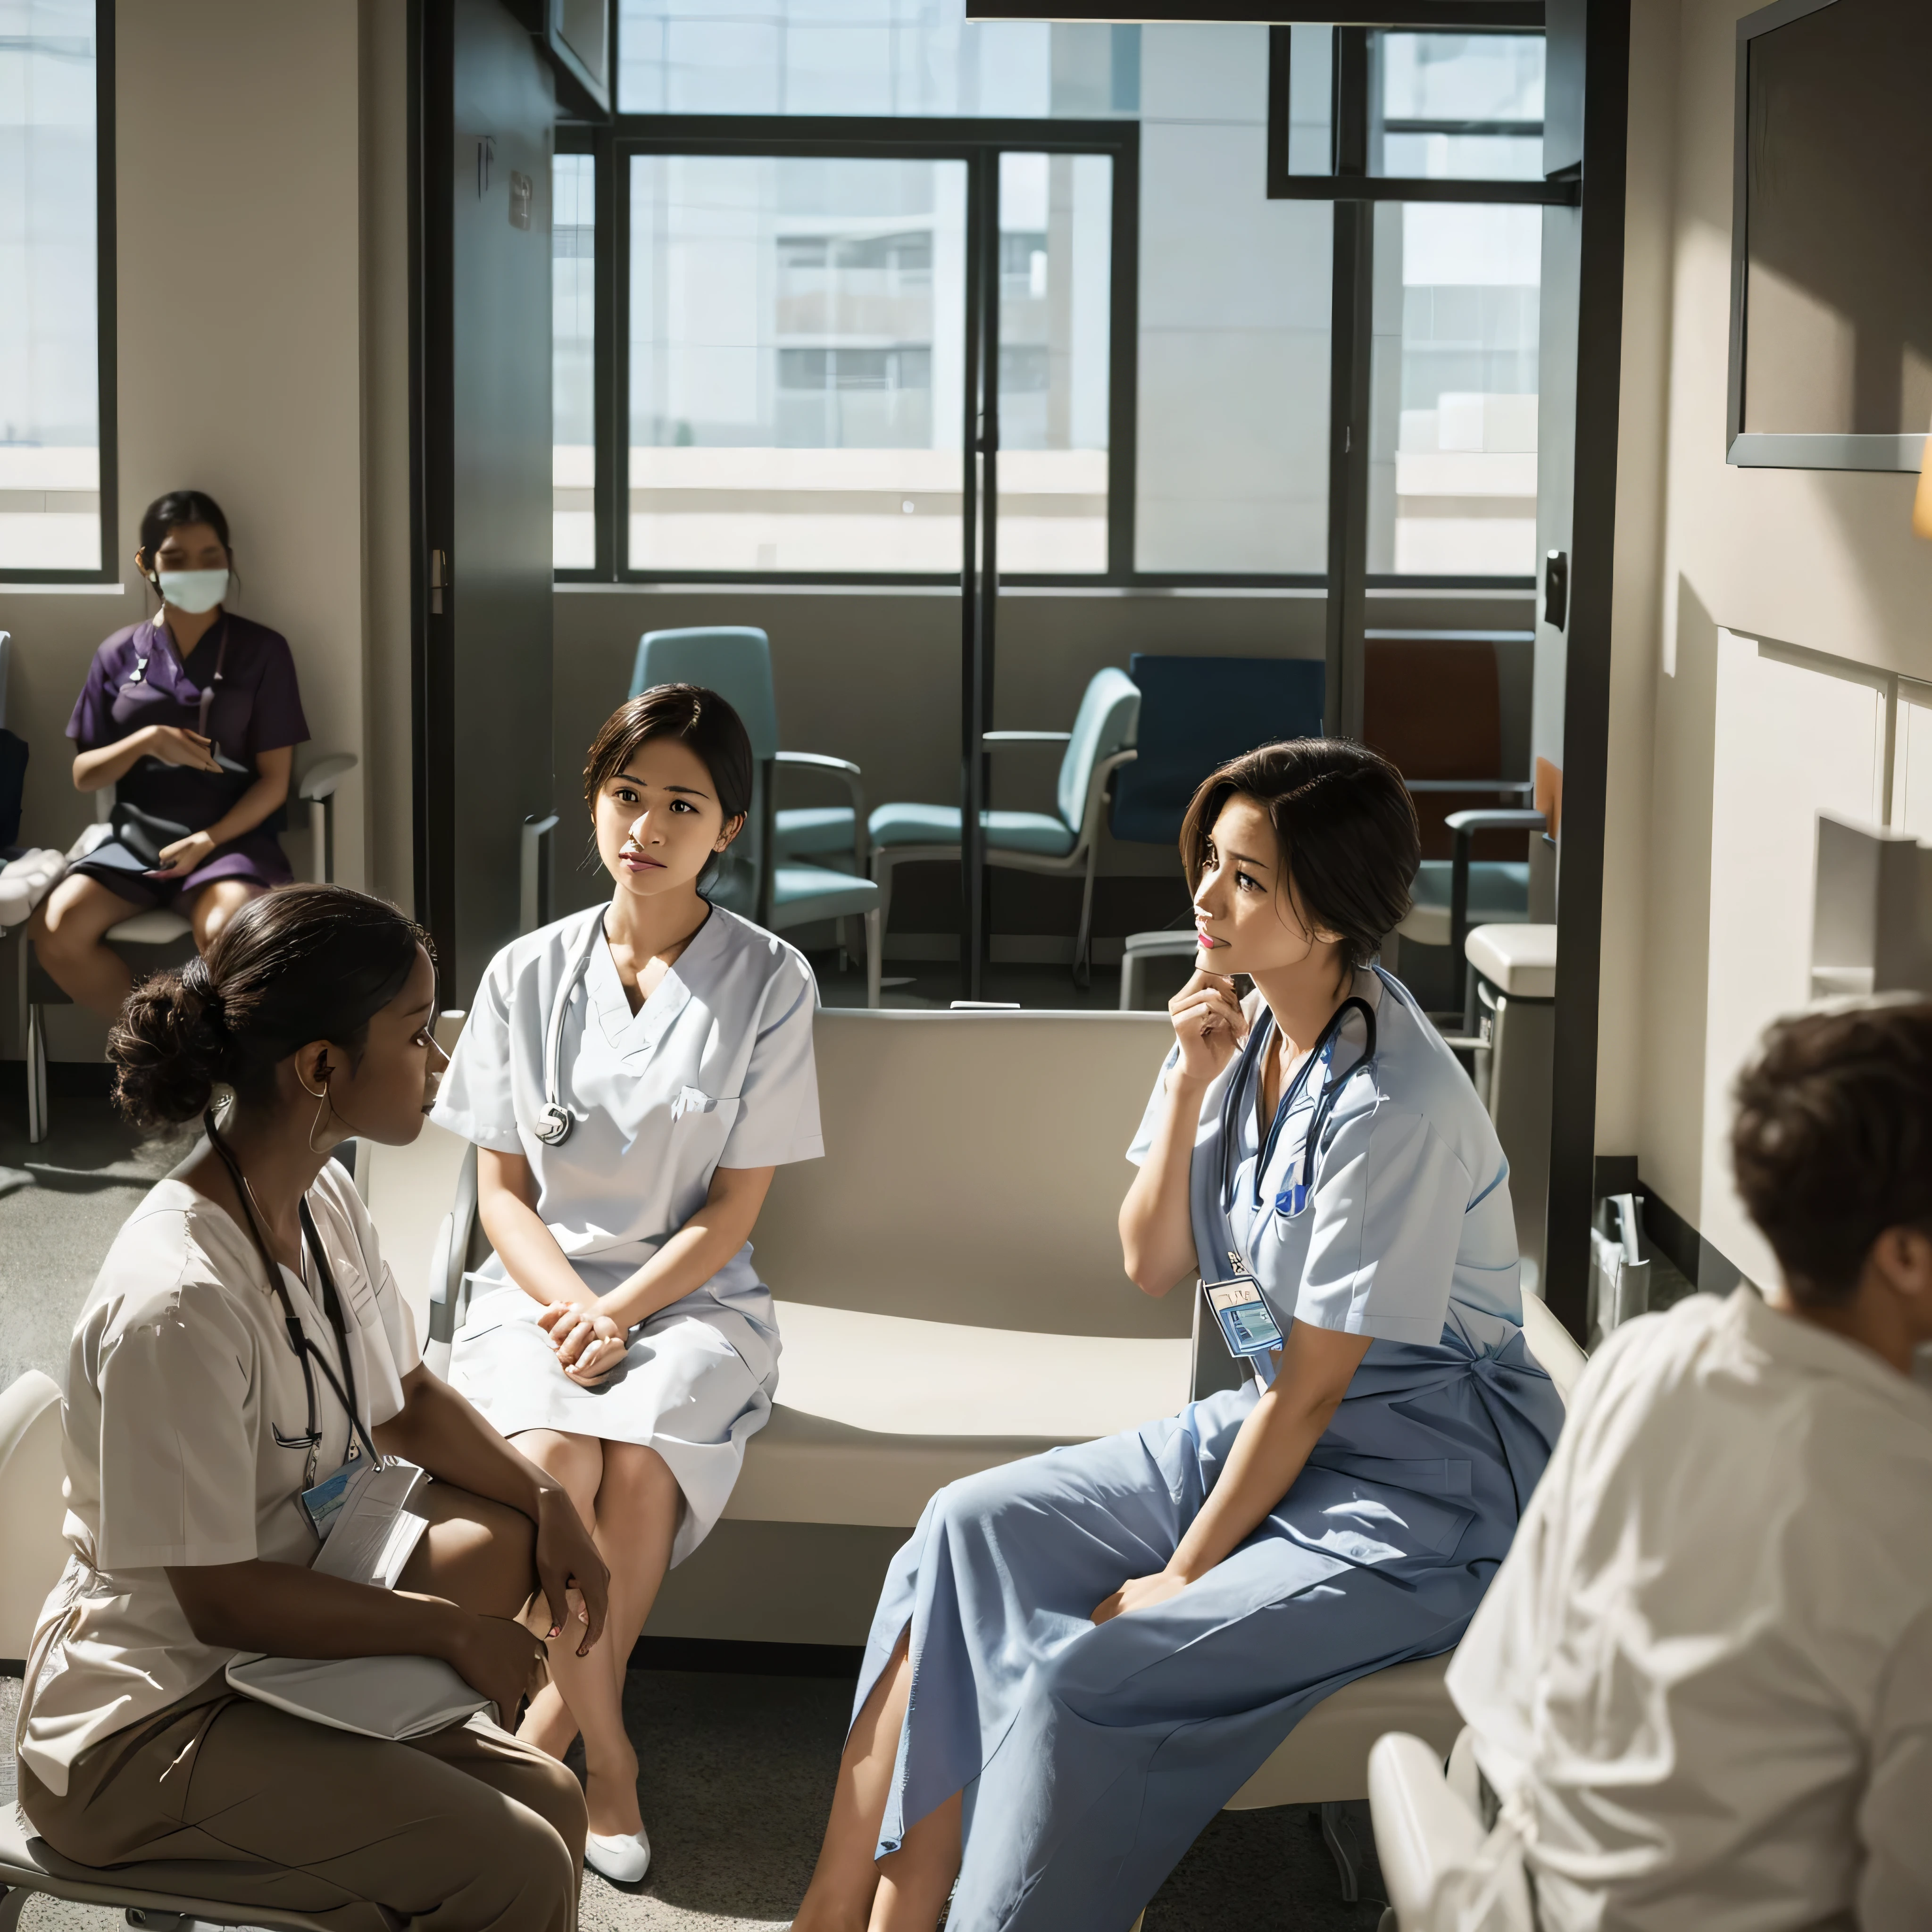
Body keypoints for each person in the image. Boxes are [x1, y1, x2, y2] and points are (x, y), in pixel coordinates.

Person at [793, 738, 1566, 1932]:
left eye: (1247, 879)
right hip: (1273, 1427)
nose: (1206, 896)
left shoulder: (1396, 1108)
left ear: (1332, 911)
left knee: (1085, 1683)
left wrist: (1181, 1574)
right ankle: (852, 1907)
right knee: (965, 1529)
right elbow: (1151, 1261)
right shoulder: (1238, 1027)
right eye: (1211, 862)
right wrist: (1190, 1086)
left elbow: (1313, 1391)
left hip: (1417, 1493)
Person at [15, 885, 613, 1932]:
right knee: (510, 1863)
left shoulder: (321, 1195)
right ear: (322, 1067)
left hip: (273, 1660)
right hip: (147, 1725)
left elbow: (408, 1398)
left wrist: (550, 1493)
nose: (439, 1060)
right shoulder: (180, 1301)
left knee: (553, 1796)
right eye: (419, 1032)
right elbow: (217, 1601)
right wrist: (446, 1633)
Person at [432, 683, 823, 1883]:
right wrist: (569, 1308)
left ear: (729, 831)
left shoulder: (771, 982)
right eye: (626, 796)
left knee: (641, 1463)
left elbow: (733, 1211)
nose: (645, 827)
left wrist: (619, 1313)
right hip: (534, 1287)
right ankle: (605, 1753)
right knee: (561, 1462)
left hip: (693, 1299)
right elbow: (501, 1195)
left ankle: (558, 1739)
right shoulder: (525, 973)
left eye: (682, 806)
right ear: (595, 804)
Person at [1445, 999, 1932, 1932]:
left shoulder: (1642, 1358)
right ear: (1902, 1253)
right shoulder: (1905, 1493)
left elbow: (1503, 1685)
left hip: (1537, 1886)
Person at [31, 489, 309, 1017]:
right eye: (176, 558)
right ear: (147, 564)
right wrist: (147, 741)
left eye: (210, 557)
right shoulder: (117, 653)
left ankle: (220, 1074)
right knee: (57, 930)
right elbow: (85, 774)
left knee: (229, 935)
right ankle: (162, 1056)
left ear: (228, 560)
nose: (195, 570)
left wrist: (207, 839)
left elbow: (275, 780)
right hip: (138, 840)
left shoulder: (264, 651)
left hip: (230, 839)